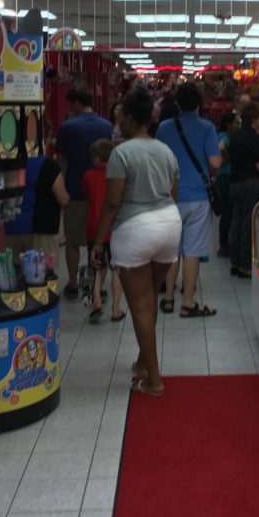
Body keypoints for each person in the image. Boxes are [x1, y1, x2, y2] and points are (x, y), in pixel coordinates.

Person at [90, 87, 181, 397]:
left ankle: (153, 379)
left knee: (141, 306)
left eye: (120, 119)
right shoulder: (165, 150)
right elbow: (174, 191)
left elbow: (112, 203)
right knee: (150, 298)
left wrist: (99, 240)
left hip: (135, 229)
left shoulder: (122, 154)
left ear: (129, 119)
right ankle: (143, 360)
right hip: (169, 225)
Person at [156, 82, 221, 318]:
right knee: (192, 250)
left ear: (177, 102)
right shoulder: (207, 127)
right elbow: (215, 163)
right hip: (198, 199)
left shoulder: (164, 127)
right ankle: (188, 302)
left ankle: (169, 298)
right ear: (199, 104)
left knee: (173, 250)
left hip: (169, 197)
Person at [56, 86, 112, 299]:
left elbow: (61, 160)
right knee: (100, 241)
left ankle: (72, 282)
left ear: (77, 103)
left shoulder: (67, 127)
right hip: (102, 193)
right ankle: (99, 285)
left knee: (72, 240)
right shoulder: (106, 125)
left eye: (71, 104)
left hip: (75, 192)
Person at [228, 102, 259, 279]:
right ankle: (245, 266)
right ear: (254, 119)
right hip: (250, 184)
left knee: (236, 222)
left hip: (234, 183)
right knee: (248, 225)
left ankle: (234, 263)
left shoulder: (234, 137)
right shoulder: (254, 138)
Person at [4, 153, 69, 269]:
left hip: (12, 226)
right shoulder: (48, 165)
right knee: (41, 276)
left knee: (16, 278)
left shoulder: (8, 164)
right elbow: (62, 199)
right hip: (42, 229)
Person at [84, 139, 125, 323]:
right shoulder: (119, 175)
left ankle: (97, 302)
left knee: (96, 267)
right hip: (115, 227)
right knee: (116, 269)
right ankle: (116, 309)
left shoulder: (89, 176)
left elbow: (87, 195)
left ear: (96, 159)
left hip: (95, 227)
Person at [215, 110, 239, 258]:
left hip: (224, 176)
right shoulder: (224, 137)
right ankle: (223, 244)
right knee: (227, 210)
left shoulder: (225, 136)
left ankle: (225, 242)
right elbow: (221, 147)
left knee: (228, 209)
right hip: (226, 176)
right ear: (228, 125)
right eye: (236, 122)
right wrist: (227, 158)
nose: (238, 125)